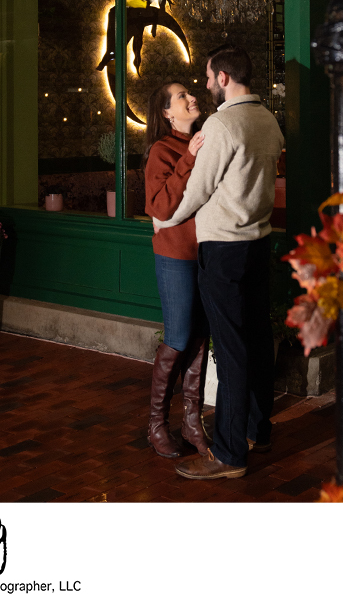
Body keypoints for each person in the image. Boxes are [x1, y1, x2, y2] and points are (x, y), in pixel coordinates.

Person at [154, 45, 284, 480]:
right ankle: (256, 431)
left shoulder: (222, 123)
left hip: (224, 248)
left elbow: (197, 190)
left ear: (224, 77)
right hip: (258, 243)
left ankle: (228, 454)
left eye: (209, 78)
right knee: (258, 339)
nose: (205, 86)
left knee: (230, 351)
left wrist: (163, 217)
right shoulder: (268, 120)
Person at [143, 81, 209, 458]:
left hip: (208, 253)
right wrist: (190, 158)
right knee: (179, 336)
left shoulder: (202, 141)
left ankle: (192, 421)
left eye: (189, 93)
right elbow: (161, 207)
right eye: (181, 97)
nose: (190, 99)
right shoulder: (163, 150)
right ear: (167, 112)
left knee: (201, 335)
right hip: (176, 255)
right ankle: (156, 424)